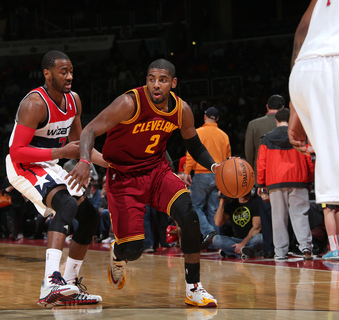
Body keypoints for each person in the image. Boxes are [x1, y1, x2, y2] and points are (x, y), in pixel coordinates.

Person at [67, 58, 218, 308]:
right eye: (151, 79)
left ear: (173, 83)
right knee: (135, 249)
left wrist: (215, 166)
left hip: (156, 171)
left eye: (162, 80)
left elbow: (194, 146)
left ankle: (194, 288)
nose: (156, 85)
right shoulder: (129, 102)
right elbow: (89, 130)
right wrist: (84, 160)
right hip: (123, 177)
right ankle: (118, 255)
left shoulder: (182, 110)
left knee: (188, 215)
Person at [5, 50, 107, 307]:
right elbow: (16, 151)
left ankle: (68, 285)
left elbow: (80, 143)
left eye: (71, 70)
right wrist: (62, 152)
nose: (70, 76)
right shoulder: (34, 104)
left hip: (49, 164)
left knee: (90, 216)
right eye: (63, 71)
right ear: (47, 74)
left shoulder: (74, 100)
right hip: (22, 165)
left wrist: (111, 162)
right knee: (66, 204)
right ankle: (51, 282)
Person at [288, 0, 339, 261]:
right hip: (333, 64)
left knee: (331, 195)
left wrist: (295, 106)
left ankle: (335, 247)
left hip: (304, 71)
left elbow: (302, 29)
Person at [257, 108, 315, 260]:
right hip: (299, 179)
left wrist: (260, 184)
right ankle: (306, 248)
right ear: (291, 120)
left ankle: (280, 252)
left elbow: (261, 163)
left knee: (278, 217)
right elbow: (309, 159)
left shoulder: (267, 138)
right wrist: (310, 179)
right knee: (300, 214)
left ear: (276, 120)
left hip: (275, 182)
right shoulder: (299, 136)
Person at [182, 106, 231, 250]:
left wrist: (186, 171)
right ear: (217, 119)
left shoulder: (198, 132)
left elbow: (192, 153)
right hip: (218, 175)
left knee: (195, 206)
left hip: (202, 173)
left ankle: (209, 232)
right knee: (215, 210)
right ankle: (217, 243)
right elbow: (228, 158)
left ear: (204, 117)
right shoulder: (224, 135)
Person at [244, 94, 285, 259]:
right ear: (283, 109)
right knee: (286, 213)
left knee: (267, 216)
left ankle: (269, 249)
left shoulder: (254, 125)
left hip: (262, 179)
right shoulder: (289, 124)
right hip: (285, 175)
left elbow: (249, 154)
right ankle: (287, 246)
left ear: (267, 107)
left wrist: (254, 177)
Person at [212, 191, 263, 258]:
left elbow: (256, 228)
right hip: (236, 240)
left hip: (251, 239)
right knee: (216, 239)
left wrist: (242, 244)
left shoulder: (255, 202)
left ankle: (231, 252)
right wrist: (222, 201)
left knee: (259, 238)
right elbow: (218, 223)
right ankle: (245, 252)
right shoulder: (232, 203)